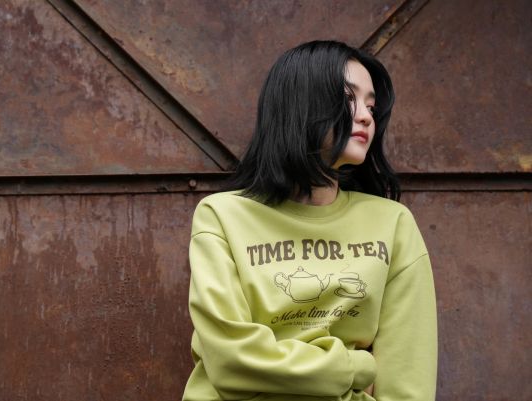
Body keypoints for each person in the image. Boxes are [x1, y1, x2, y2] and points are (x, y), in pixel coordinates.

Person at [182, 40, 437, 401]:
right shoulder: (222, 217)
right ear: (301, 104)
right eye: (348, 99)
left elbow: (408, 384)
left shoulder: (392, 224)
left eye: (371, 105)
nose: (366, 116)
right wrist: (355, 368)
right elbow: (231, 361)